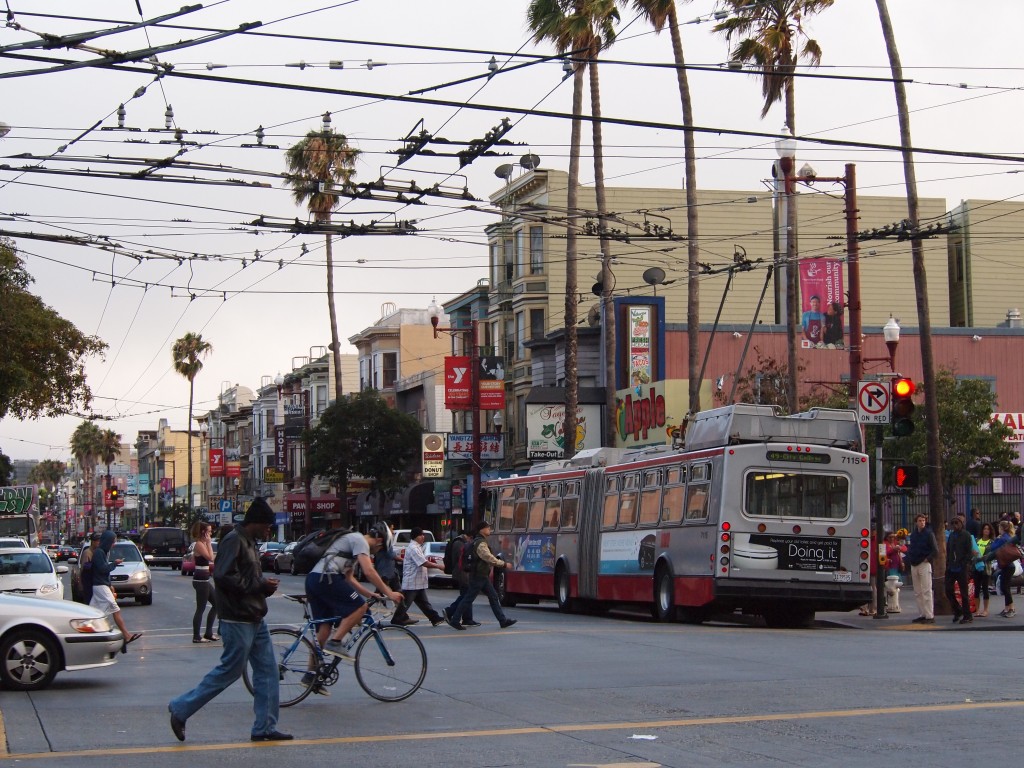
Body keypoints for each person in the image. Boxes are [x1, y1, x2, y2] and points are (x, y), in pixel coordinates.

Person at [168, 498, 290, 743]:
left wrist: (262, 587)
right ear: (255, 522)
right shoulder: (234, 540)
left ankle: (264, 727)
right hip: (237, 618)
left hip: (255, 616)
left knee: (268, 672)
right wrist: (259, 585)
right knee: (229, 671)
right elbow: (224, 576)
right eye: (267, 525)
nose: (269, 529)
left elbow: (243, 576)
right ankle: (181, 709)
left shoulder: (250, 542)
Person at [305, 524, 403, 661]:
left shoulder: (353, 543)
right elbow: (369, 572)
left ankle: (311, 674)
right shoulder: (360, 540)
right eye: (380, 549)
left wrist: (371, 594)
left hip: (315, 579)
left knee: (324, 629)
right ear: (379, 541)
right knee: (360, 607)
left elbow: (349, 578)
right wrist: (390, 593)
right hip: (327, 578)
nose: (377, 552)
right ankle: (335, 642)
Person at [447, 521, 516, 630]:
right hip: (478, 576)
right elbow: (488, 557)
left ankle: (502, 620)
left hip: (481, 575)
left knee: (492, 596)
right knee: (468, 598)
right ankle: (455, 620)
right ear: (481, 530)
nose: (489, 529)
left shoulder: (478, 541)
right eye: (487, 528)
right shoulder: (480, 543)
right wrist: (503, 564)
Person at [89, 529, 142, 652]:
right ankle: (125, 635)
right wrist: (114, 564)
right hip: (100, 586)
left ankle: (91, 636)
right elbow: (102, 569)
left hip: (101, 586)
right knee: (115, 609)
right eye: (113, 542)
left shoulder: (102, 552)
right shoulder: (99, 553)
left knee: (94, 613)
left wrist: (109, 584)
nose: (113, 544)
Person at [390, 527, 445, 627]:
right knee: (406, 602)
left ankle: (434, 618)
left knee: (424, 603)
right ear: (415, 536)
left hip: (417, 581)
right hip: (412, 580)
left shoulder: (417, 547)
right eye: (421, 535)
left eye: (423, 535)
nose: (423, 537)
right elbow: (423, 562)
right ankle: (397, 619)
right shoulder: (413, 548)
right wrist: (438, 566)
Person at [906, 513, 938, 624]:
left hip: (924, 563)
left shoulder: (929, 534)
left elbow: (935, 550)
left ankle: (929, 615)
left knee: (926, 590)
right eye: (920, 520)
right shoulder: (913, 535)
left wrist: (927, 559)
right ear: (916, 522)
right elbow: (911, 548)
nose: (922, 522)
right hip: (914, 563)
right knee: (918, 592)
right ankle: (922, 614)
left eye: (923, 520)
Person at [189, 520, 219, 643]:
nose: (211, 533)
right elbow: (210, 558)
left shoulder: (202, 543)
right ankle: (196, 636)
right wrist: (209, 543)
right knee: (200, 608)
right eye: (209, 531)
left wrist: (208, 543)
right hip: (200, 580)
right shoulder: (199, 544)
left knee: (217, 603)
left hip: (204, 579)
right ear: (203, 532)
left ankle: (208, 633)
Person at [444, 530, 479, 628]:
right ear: (469, 537)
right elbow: (462, 559)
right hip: (462, 573)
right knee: (466, 596)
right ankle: (450, 611)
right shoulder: (459, 543)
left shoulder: (459, 542)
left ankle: (467, 618)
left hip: (462, 573)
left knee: (466, 595)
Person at [945, 516, 974, 624]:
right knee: (948, 590)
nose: (955, 525)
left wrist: (964, 564)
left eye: (957, 523)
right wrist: (948, 562)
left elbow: (969, 552)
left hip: (962, 567)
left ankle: (967, 615)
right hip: (951, 567)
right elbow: (949, 549)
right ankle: (957, 610)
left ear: (961, 524)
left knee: (964, 593)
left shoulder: (966, 535)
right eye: (953, 523)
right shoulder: (952, 535)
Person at [985, 519, 1017, 618]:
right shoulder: (1008, 537)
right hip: (1008, 565)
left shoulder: (1003, 538)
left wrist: (996, 539)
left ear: (1002, 528)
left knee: (1005, 587)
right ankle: (1007, 608)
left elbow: (993, 547)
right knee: (1005, 586)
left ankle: (1011, 608)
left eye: (999, 527)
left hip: (1007, 565)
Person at [373, 521, 401, 592]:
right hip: (386, 572)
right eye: (391, 529)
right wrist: (403, 559)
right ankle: (368, 602)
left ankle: (400, 602)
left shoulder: (385, 541)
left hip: (389, 571)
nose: (393, 531)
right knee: (379, 593)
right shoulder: (385, 541)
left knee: (397, 591)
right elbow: (390, 555)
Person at [974, 522, 995, 617]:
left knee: (985, 588)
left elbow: (991, 555)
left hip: (986, 567)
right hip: (976, 567)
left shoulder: (991, 542)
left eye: (988, 529)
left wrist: (981, 558)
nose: (986, 530)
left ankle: (986, 610)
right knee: (977, 589)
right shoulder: (977, 540)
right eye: (984, 529)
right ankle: (977, 609)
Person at [77, 532, 100, 605]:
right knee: (90, 603)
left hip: (96, 583)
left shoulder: (98, 552)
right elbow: (84, 569)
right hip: (89, 584)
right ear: (93, 542)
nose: (99, 543)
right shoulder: (87, 553)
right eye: (97, 541)